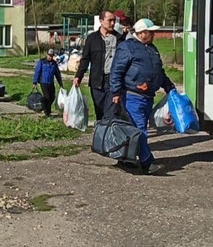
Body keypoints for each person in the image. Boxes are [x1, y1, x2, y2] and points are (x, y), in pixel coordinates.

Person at [110, 18, 175, 175]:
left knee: (136, 129)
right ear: (141, 33)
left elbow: (159, 71)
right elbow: (116, 70)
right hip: (132, 96)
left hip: (148, 97)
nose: (153, 34)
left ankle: (126, 158)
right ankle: (147, 162)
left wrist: (169, 86)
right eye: (150, 32)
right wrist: (116, 92)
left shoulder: (152, 49)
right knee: (140, 129)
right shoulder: (127, 47)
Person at [74, 10, 124, 120]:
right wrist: (78, 76)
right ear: (101, 21)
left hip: (113, 81)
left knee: (111, 112)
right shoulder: (92, 39)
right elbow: (85, 59)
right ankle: (101, 134)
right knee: (99, 113)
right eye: (110, 20)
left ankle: (110, 134)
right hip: (97, 82)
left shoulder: (120, 38)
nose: (112, 23)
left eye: (114, 21)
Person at [33, 49, 64, 117]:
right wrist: (35, 82)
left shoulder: (54, 63)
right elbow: (37, 72)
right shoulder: (42, 62)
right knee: (47, 97)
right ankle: (47, 112)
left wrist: (60, 83)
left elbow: (57, 74)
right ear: (47, 54)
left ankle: (45, 109)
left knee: (52, 97)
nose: (50, 57)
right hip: (43, 82)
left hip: (51, 83)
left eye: (52, 56)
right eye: (49, 55)